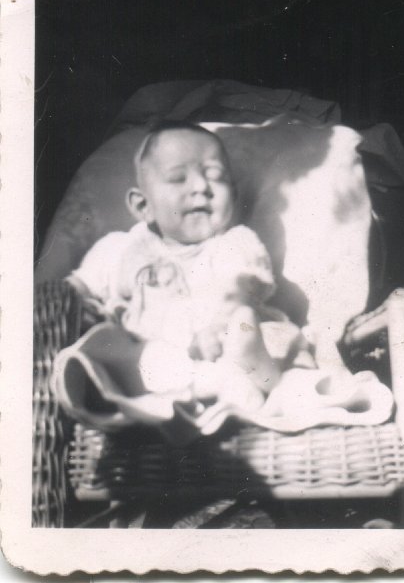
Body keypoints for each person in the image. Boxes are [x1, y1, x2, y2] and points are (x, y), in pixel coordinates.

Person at [66, 121, 302, 413]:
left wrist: (222, 325)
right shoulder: (119, 249)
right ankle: (224, 392)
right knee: (114, 351)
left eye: (215, 177)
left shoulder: (232, 242)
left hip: (229, 345)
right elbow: (71, 292)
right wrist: (80, 310)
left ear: (234, 196)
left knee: (253, 330)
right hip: (159, 359)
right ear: (143, 206)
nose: (201, 187)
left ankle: (271, 384)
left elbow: (238, 288)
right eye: (178, 179)